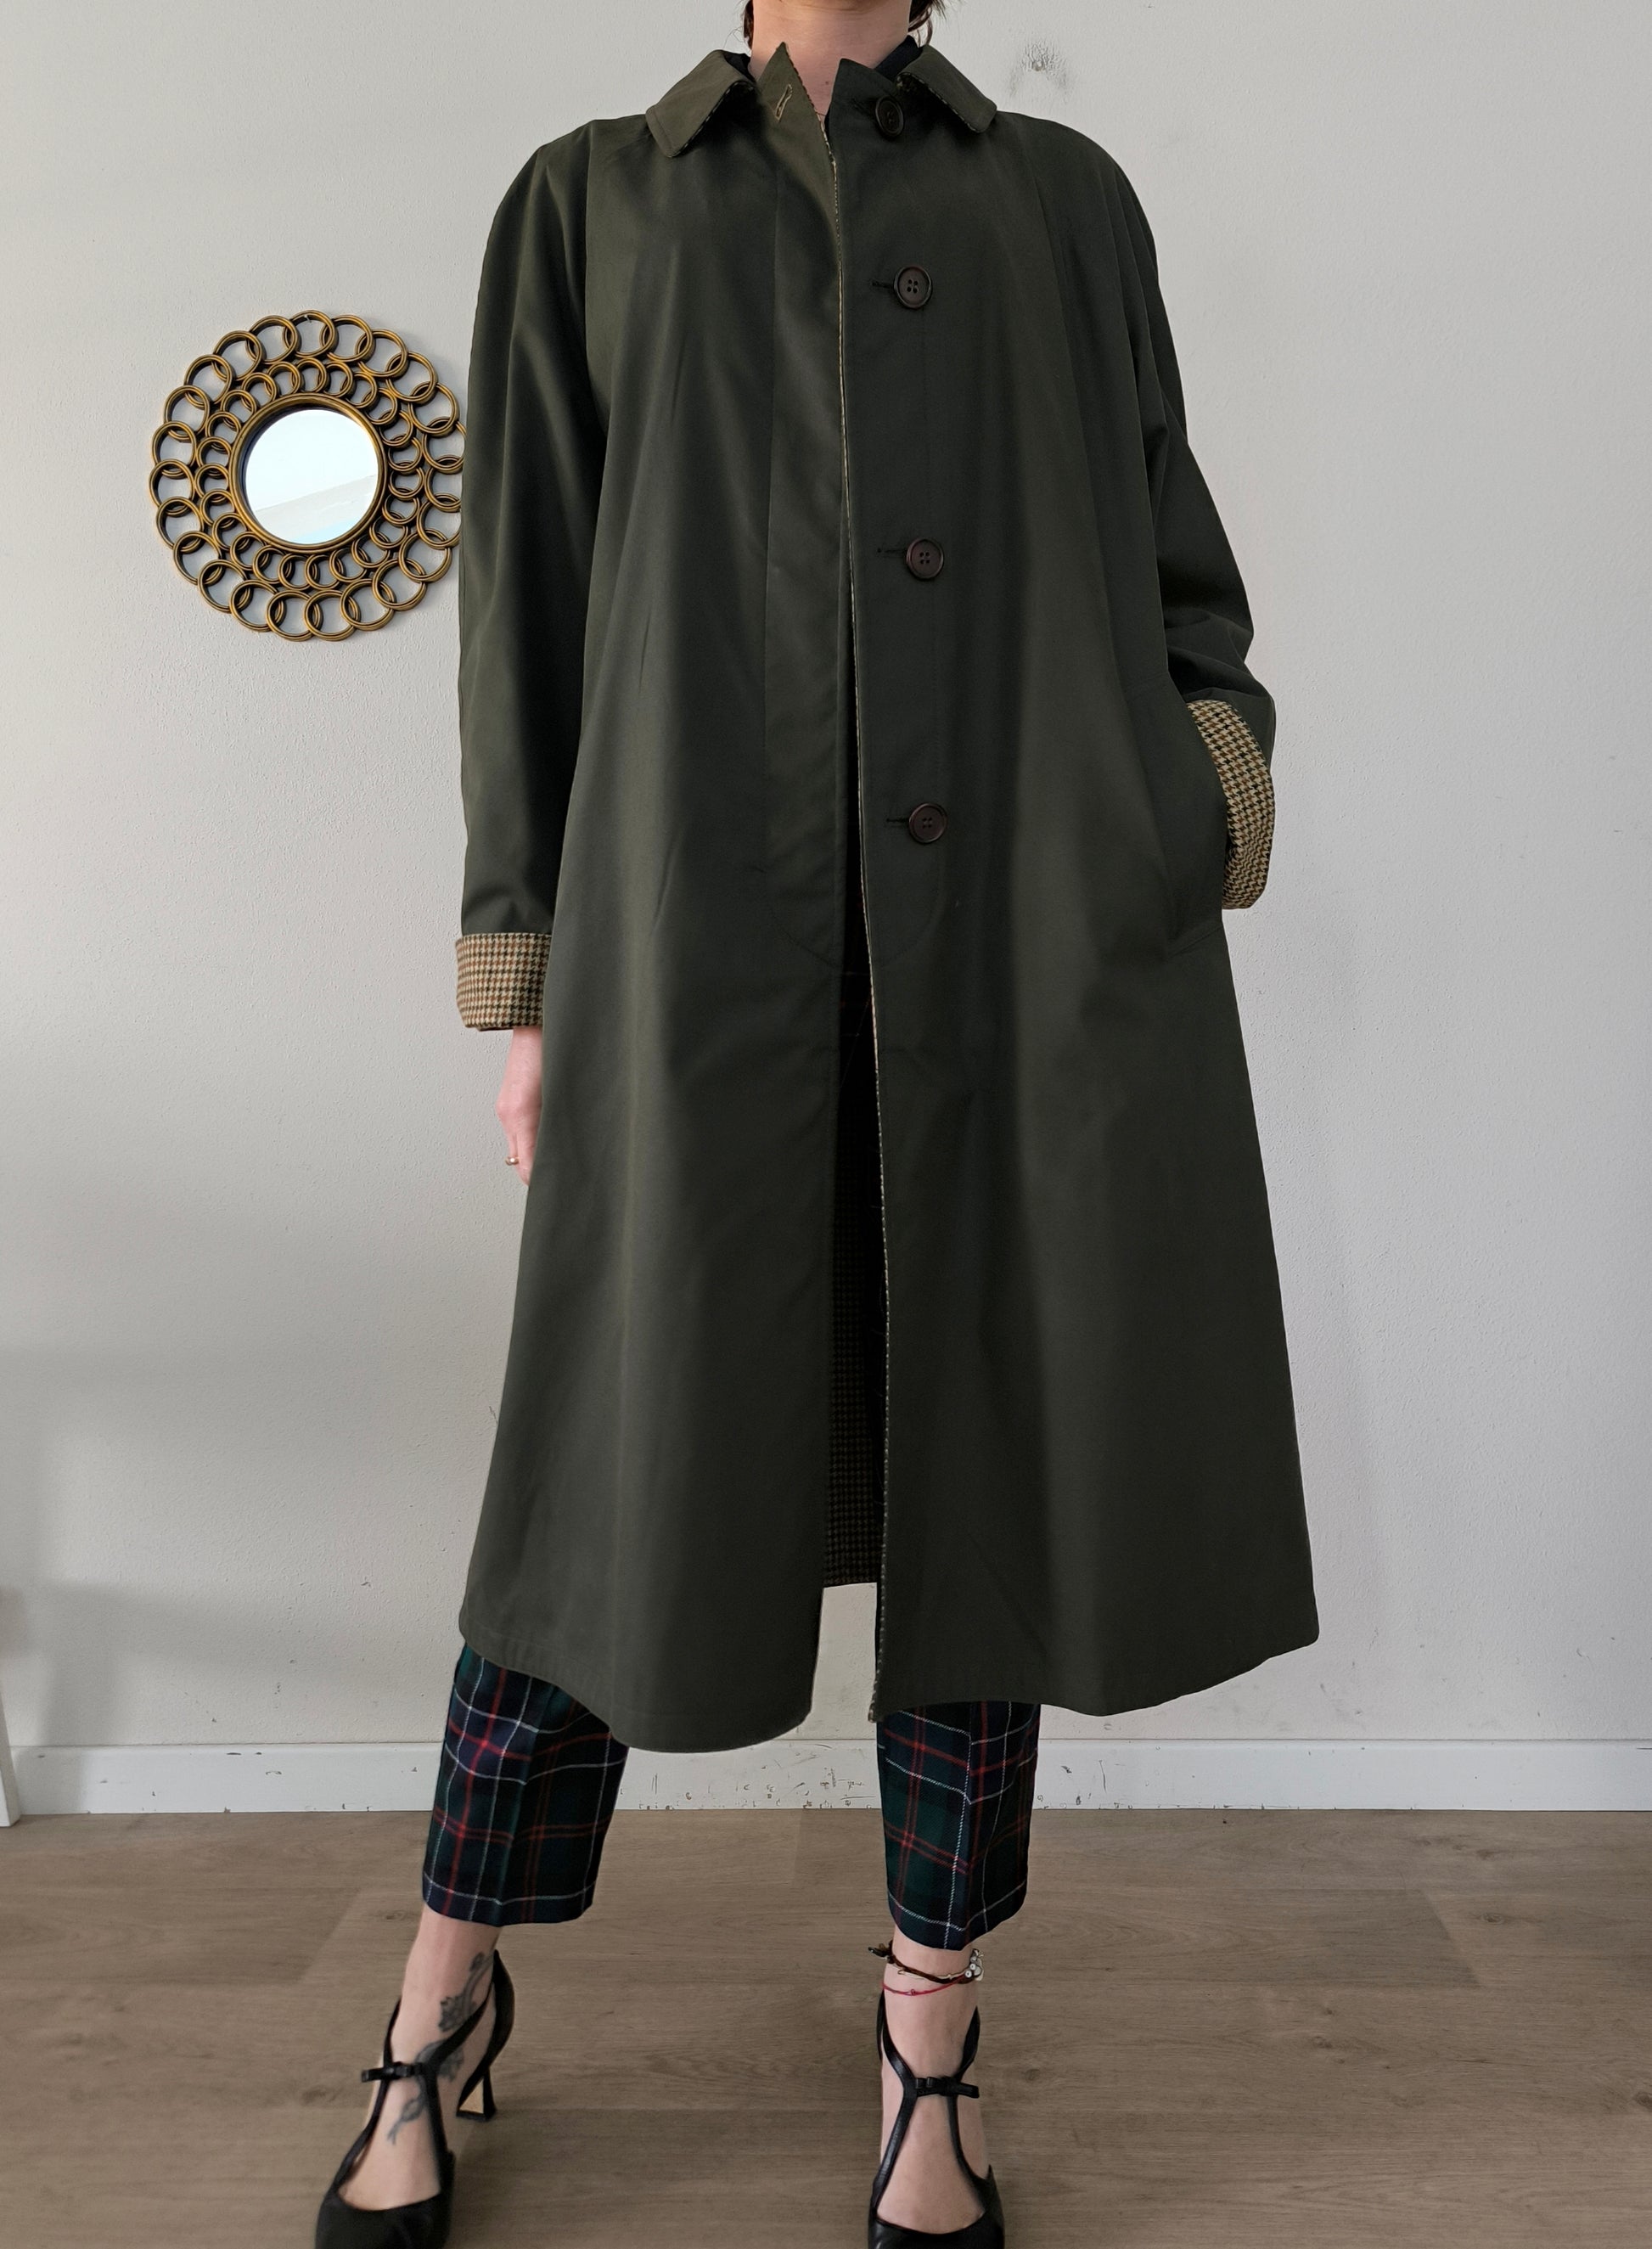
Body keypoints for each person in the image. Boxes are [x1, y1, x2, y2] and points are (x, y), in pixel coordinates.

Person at [315, 3, 1319, 2243]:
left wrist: (1183, 802)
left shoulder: (1062, 202)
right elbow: (525, 614)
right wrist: (528, 981)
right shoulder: (592, 200)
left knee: (987, 1507)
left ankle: (926, 2035)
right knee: (598, 1498)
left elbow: (1178, 566)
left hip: (1019, 974)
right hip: (699, 969)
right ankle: (436, 1996)